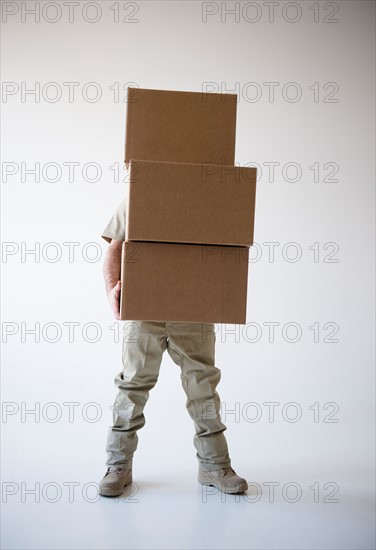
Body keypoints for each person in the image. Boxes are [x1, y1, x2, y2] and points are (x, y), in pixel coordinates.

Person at [98, 197, 248, 497]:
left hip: (194, 311)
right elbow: (115, 246)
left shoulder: (211, 201)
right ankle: (118, 466)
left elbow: (228, 249)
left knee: (202, 387)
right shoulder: (138, 196)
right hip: (144, 311)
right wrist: (113, 286)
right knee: (132, 386)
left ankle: (214, 465)